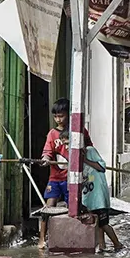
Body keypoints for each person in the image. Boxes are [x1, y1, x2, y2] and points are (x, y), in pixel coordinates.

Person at [40, 98, 92, 249]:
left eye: (61, 116)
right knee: (48, 207)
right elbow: (47, 152)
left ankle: (74, 239)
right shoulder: (52, 134)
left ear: (68, 115)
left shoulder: (78, 131)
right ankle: (42, 239)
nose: (58, 119)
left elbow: (89, 148)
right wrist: (45, 159)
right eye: (55, 116)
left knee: (75, 208)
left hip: (73, 178)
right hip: (55, 177)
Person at [81, 144, 123, 252]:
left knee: (103, 223)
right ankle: (102, 246)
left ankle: (117, 244)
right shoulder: (76, 156)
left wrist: (85, 160)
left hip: (98, 197)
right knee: (98, 223)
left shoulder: (90, 151)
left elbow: (101, 167)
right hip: (90, 196)